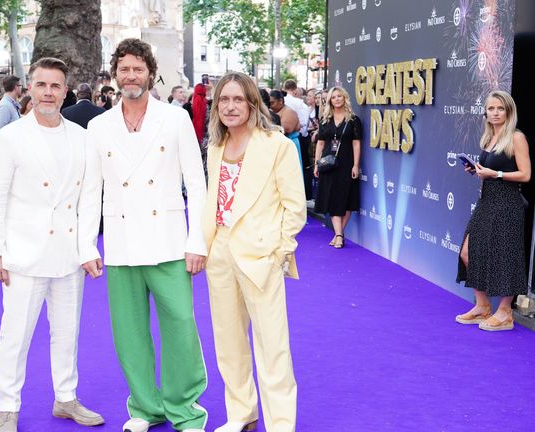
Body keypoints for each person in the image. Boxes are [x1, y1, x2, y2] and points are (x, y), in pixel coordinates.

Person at [79, 38, 208, 432]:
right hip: (120, 242)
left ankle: (186, 410)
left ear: (150, 73)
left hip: (169, 239)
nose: (130, 75)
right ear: (115, 75)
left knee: (181, 327)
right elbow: (90, 188)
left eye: (137, 68)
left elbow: (196, 182)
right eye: (123, 68)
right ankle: (145, 409)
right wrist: (86, 244)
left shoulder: (175, 118)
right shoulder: (99, 126)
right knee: (130, 334)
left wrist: (197, 240)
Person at [0, 57, 104, 432]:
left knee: (67, 332)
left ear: (65, 91)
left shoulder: (83, 138)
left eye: (56, 86)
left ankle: (66, 398)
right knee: (15, 335)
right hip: (21, 254)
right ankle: (8, 407)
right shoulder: (9, 137)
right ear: (29, 88)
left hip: (68, 254)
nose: (48, 92)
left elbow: (88, 200)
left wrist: (88, 249)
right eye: (42, 85)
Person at [203, 71, 305, 432]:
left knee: (272, 345)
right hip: (221, 253)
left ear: (252, 103)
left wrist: (280, 253)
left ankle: (280, 423)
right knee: (228, 343)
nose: (230, 107)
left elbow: (295, 207)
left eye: (238, 99)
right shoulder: (216, 147)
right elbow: (213, 202)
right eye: (223, 100)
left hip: (262, 256)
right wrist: (207, 245)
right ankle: (241, 414)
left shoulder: (275, 145)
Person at [455, 90, 531, 331]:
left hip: (508, 204)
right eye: (491, 108)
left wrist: (494, 174)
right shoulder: (489, 138)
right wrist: (478, 171)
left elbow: (525, 175)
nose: (495, 113)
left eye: (500, 108)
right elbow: (490, 171)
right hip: (487, 202)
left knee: (504, 256)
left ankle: (505, 312)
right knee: (468, 251)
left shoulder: (516, 138)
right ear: (485, 112)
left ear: (509, 111)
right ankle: (482, 306)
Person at [313, 86, 361, 249]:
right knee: (333, 200)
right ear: (330, 101)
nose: (337, 99)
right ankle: (339, 235)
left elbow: (356, 143)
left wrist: (355, 165)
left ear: (345, 98)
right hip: (328, 164)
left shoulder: (353, 120)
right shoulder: (325, 119)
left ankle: (338, 234)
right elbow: (320, 143)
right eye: (334, 97)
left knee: (346, 202)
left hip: (346, 163)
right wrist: (316, 163)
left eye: (340, 96)